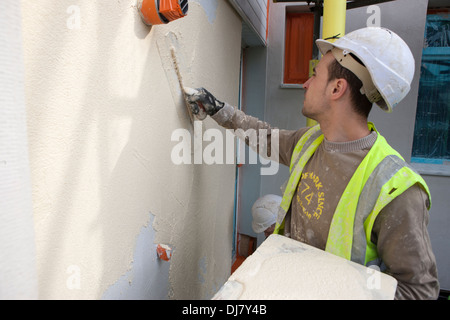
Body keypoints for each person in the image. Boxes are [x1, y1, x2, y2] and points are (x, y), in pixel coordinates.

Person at [185, 27, 439, 300]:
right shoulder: (309, 142)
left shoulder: (395, 188)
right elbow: (264, 136)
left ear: (336, 88)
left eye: (315, 74)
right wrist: (217, 109)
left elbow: (419, 291)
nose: (306, 83)